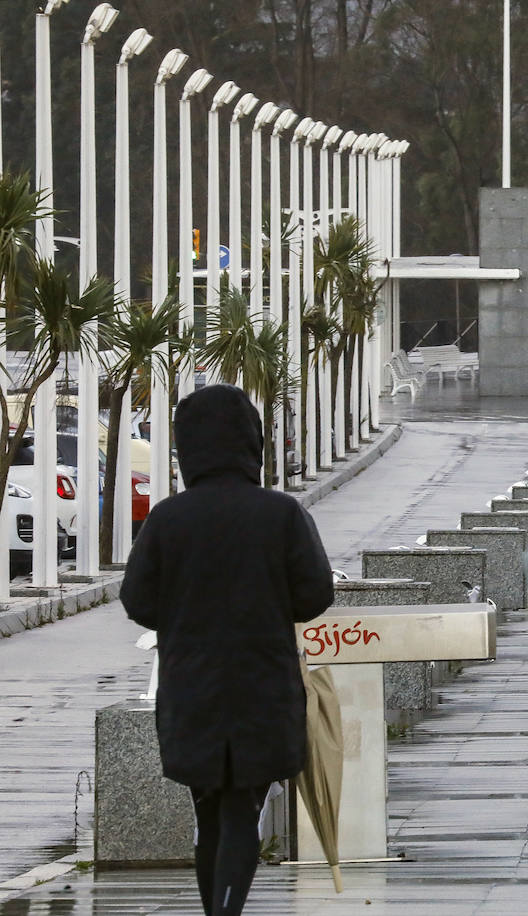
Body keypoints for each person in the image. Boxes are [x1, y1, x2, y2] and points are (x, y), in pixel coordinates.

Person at [120, 385, 334, 916]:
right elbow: (315, 595)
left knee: (208, 810)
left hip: (192, 687)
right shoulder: (280, 514)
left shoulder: (169, 519)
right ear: (250, 444)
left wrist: (184, 620)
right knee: (244, 810)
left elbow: (137, 598)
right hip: (262, 684)